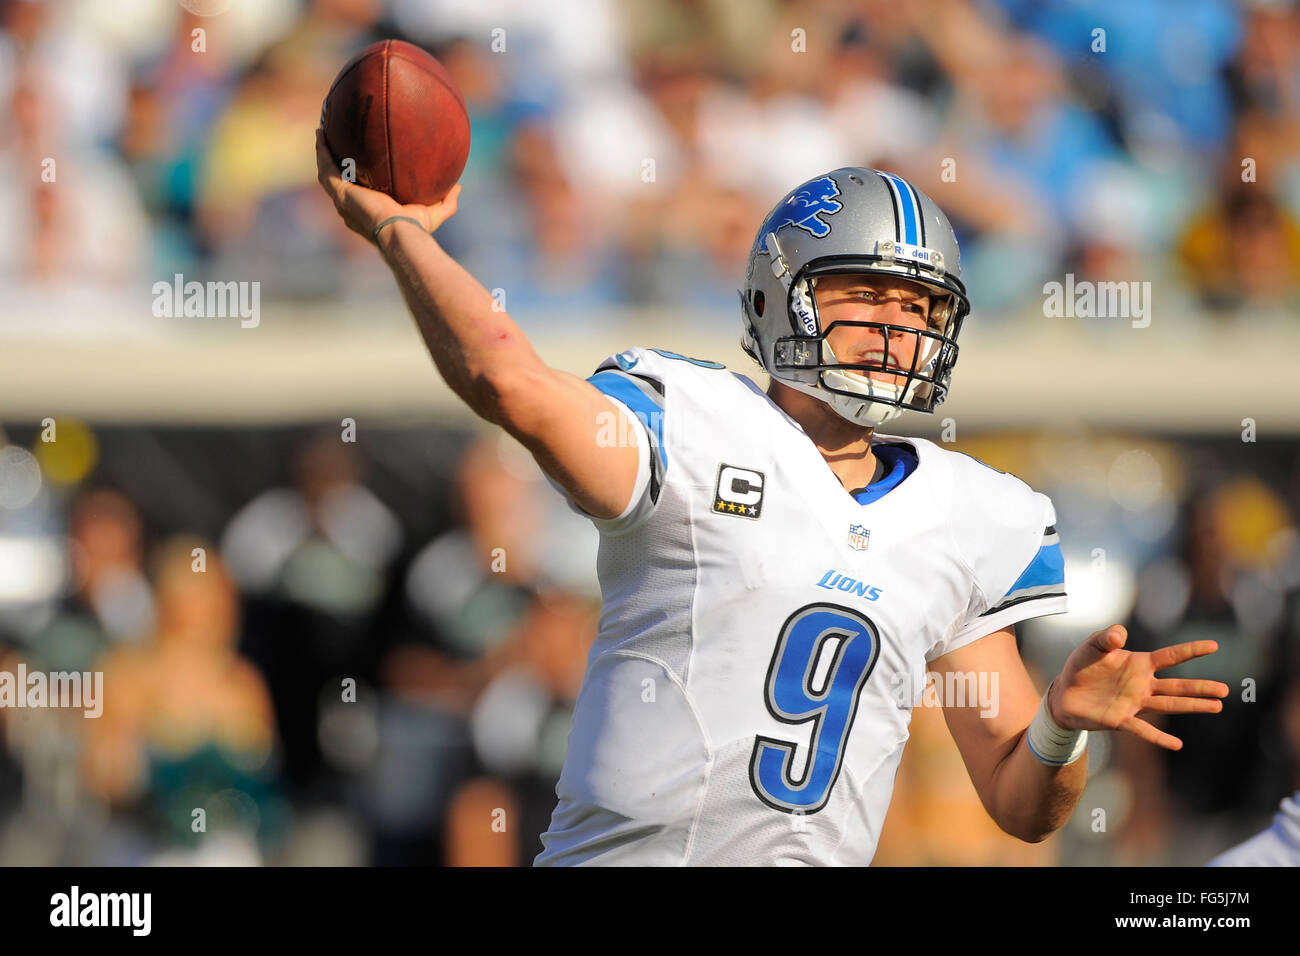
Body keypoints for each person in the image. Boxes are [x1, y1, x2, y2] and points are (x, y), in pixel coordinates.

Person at [315, 135, 1229, 866]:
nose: (895, 330)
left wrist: (1061, 732)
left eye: (919, 311)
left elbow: (1021, 807)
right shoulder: (689, 421)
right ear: (780, 297)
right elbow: (504, 378)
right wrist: (403, 233)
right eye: (865, 296)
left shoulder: (973, 516)